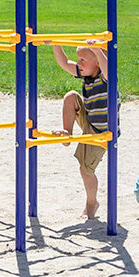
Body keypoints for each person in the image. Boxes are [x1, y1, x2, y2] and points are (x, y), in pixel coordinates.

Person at [51, 40, 111, 218]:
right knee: (71, 96)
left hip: (101, 131)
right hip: (90, 119)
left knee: (85, 170)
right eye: (79, 59)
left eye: (83, 59)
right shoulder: (86, 74)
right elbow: (64, 63)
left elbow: (108, 70)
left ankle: (92, 202)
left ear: (98, 63)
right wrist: (55, 44)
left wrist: (98, 51)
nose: (79, 64)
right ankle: (67, 133)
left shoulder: (105, 77)